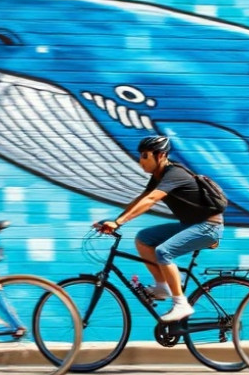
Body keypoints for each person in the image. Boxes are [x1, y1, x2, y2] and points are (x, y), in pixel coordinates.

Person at [94, 135, 224, 322]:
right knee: (144, 239)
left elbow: (151, 200)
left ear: (161, 155)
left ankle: (181, 303)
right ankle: (162, 287)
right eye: (140, 156)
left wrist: (120, 223)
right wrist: (115, 220)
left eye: (145, 156)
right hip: (191, 225)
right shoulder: (158, 176)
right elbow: (141, 198)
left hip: (208, 227)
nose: (141, 161)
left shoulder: (174, 174)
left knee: (164, 252)